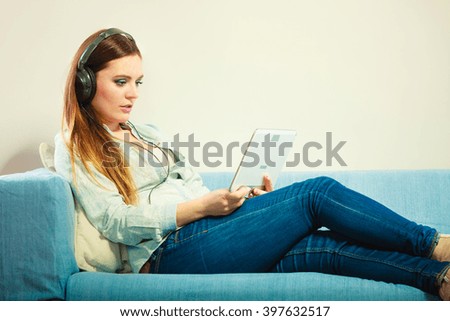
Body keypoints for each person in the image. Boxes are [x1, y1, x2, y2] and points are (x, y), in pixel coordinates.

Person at [54, 28, 450, 300]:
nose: (133, 94)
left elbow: (192, 187)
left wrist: (245, 206)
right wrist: (199, 210)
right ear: (87, 82)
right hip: (163, 254)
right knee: (316, 193)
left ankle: (439, 280)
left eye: (138, 82)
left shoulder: (149, 133)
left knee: (320, 248)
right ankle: (432, 244)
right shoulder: (74, 146)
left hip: (202, 234)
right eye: (121, 81)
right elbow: (113, 219)